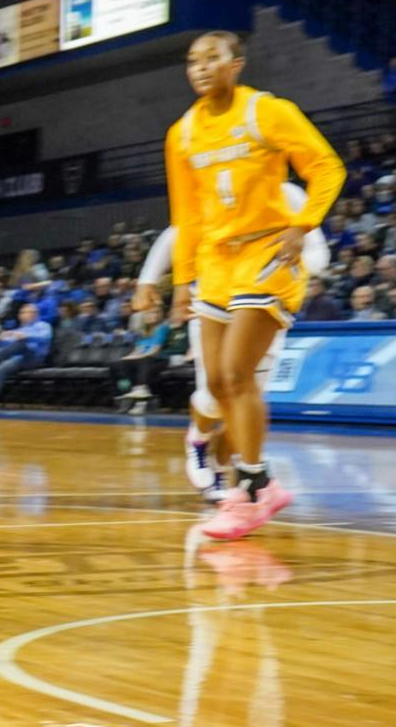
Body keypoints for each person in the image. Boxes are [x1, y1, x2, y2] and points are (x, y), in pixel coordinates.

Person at [165, 31, 343, 540]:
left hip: (268, 252)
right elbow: (187, 214)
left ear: (236, 64)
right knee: (218, 385)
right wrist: (182, 281)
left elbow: (327, 167)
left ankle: (246, 490)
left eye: (212, 58)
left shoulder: (267, 111)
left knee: (238, 374)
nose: (200, 67)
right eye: (192, 60)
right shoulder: (181, 134)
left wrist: (302, 223)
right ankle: (262, 485)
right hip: (215, 263)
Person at [138, 179, 332, 502]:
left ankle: (220, 462)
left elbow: (319, 251)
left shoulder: (288, 195)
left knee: (246, 401)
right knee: (217, 395)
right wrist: (148, 279)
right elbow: (177, 234)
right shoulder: (222, 183)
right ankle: (198, 440)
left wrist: (291, 265)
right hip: (214, 300)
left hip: (266, 307)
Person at [0, 303, 53, 404]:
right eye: (25, 312)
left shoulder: (43, 325)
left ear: (37, 314)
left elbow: (45, 338)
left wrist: (27, 336)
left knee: (22, 342)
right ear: (20, 315)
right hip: (19, 359)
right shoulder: (17, 330)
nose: (29, 314)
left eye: (32, 312)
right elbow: (9, 345)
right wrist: (2, 338)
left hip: (36, 357)